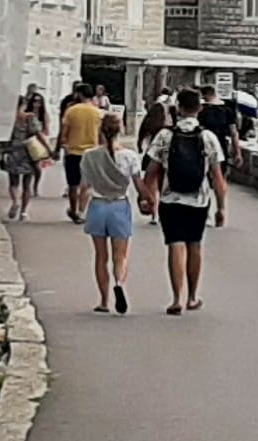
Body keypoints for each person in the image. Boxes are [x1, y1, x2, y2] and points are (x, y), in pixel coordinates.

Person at [142, 94, 227, 313]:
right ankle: (192, 297)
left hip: (171, 199)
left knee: (175, 244)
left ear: (178, 108)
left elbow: (152, 171)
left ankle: (176, 299)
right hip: (199, 200)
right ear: (199, 109)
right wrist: (221, 208)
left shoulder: (165, 136)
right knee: (195, 244)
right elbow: (217, 177)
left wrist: (146, 197)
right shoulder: (208, 137)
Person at [73, 113, 140, 313]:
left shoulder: (89, 156)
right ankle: (119, 282)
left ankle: (103, 300)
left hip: (98, 206)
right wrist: (149, 201)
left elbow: (84, 187)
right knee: (120, 257)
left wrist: (79, 209)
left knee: (100, 256)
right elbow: (138, 185)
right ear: (120, 130)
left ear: (101, 131)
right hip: (119, 205)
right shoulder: (129, 156)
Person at [58, 83, 104, 221]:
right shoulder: (98, 112)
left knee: (73, 184)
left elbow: (64, 132)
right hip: (92, 152)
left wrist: (61, 144)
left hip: (73, 151)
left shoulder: (71, 111)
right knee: (87, 185)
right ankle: (82, 211)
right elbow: (102, 134)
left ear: (79, 94)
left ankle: (73, 209)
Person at [2, 92, 45, 222]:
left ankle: (15, 201)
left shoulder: (8, 118)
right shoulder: (30, 117)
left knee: (14, 183)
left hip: (12, 150)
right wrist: (48, 149)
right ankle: (24, 212)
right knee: (27, 184)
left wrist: (1, 151)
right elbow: (38, 134)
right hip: (28, 151)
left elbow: (3, 137)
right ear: (24, 104)